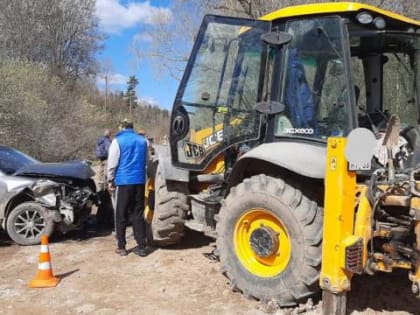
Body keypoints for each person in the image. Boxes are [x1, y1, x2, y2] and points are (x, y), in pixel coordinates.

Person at [107, 120, 148, 257]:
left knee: (121, 214)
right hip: (140, 181)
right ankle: (142, 246)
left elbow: (112, 162)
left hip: (124, 181)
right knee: (138, 213)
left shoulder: (117, 141)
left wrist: (110, 179)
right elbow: (147, 161)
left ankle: (122, 246)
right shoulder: (143, 141)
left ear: (122, 127)